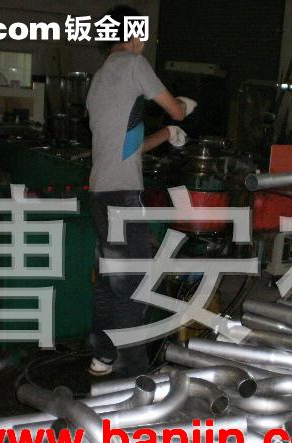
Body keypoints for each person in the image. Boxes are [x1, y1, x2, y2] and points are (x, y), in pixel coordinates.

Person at [86, 5, 197, 377]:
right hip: (121, 196)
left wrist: (165, 135)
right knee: (134, 282)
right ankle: (133, 374)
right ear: (131, 34)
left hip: (102, 193)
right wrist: (182, 110)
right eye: (141, 34)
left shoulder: (100, 77)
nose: (144, 42)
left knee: (111, 280)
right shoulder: (133, 65)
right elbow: (176, 109)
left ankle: (103, 356)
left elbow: (126, 146)